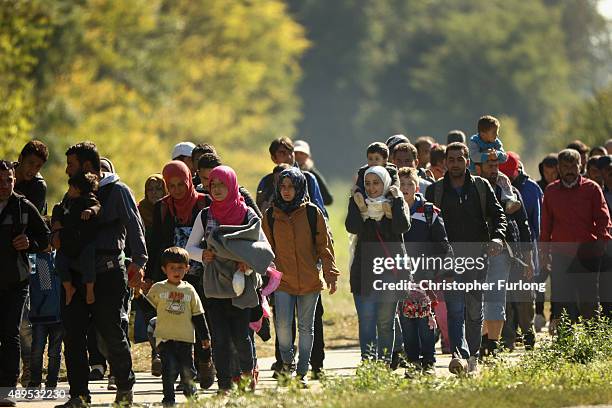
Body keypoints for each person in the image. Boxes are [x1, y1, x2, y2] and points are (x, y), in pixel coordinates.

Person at [54, 142, 147, 407]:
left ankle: (125, 385)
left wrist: (139, 263)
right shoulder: (71, 194)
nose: (66, 170)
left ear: (85, 166)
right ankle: (78, 395)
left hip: (108, 274)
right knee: (73, 335)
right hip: (75, 275)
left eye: (70, 164)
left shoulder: (118, 191)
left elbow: (134, 227)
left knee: (111, 330)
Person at [187, 165, 274, 393]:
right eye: (212, 185)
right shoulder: (205, 215)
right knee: (220, 339)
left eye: (221, 185)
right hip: (214, 284)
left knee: (242, 338)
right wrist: (202, 255)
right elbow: (189, 248)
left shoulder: (247, 214)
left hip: (242, 283)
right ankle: (224, 384)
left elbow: (264, 248)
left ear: (232, 185)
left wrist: (249, 261)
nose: (216, 189)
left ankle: (246, 379)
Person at [425, 143, 506, 375]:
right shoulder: (436, 191)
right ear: (445, 163)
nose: (455, 163)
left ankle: (472, 356)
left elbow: (498, 215)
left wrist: (498, 238)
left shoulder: (481, 187)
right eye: (451, 159)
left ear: (468, 161)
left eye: (460, 159)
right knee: (455, 308)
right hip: (448, 261)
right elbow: (428, 225)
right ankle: (458, 355)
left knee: (473, 310)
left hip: (478, 259)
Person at [263, 167, 339, 387]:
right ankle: (287, 364)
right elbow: (265, 249)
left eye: (291, 186)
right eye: (283, 186)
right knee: (284, 326)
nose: (287, 191)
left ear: (300, 188)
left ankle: (302, 373)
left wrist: (330, 274)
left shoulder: (312, 213)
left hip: (309, 281)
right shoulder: (270, 215)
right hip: (283, 282)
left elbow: (325, 247)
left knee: (307, 328)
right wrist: (265, 276)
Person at [145, 161, 214, 389]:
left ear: (188, 181)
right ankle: (186, 375)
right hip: (174, 276)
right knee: (177, 322)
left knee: (201, 320)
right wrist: (151, 275)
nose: (176, 190)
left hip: (203, 275)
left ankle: (205, 362)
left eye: (180, 184)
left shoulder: (204, 202)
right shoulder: (162, 207)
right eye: (171, 185)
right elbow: (155, 244)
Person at [345, 166, 410, 363]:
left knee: (385, 321)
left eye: (376, 183)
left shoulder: (395, 202)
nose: (372, 188)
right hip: (364, 271)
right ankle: (368, 362)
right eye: (367, 183)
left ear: (386, 183)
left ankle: (383, 363)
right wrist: (358, 206)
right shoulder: (358, 202)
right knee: (366, 321)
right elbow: (352, 226)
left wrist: (397, 201)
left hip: (390, 272)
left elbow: (402, 227)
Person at [540, 149, 611, 328]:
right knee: (563, 302)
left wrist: (601, 244)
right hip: (561, 255)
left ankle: (593, 341)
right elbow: (546, 226)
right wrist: (543, 254)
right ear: (559, 168)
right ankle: (565, 342)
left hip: (588, 253)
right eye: (566, 166)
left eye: (574, 166)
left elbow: (603, 220)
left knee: (589, 301)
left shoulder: (592, 189)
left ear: (581, 166)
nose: (570, 170)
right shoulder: (551, 191)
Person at [0, 160, 49, 407]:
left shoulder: (23, 207)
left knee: (10, 333)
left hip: (16, 282)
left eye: (8, 180)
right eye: (0, 180)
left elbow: (46, 239)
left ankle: (6, 389)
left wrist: (29, 242)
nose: (4, 185)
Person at [135, 247, 210, 407]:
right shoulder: (158, 288)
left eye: (181, 267)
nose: (176, 271)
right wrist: (138, 296)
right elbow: (148, 309)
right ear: (164, 269)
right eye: (172, 267)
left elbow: (198, 315)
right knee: (168, 370)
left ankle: (191, 394)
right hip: (165, 338)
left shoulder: (189, 290)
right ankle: (168, 398)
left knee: (187, 370)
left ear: (187, 268)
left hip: (186, 339)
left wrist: (205, 337)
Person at [397, 167, 452, 375]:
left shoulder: (429, 212)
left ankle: (428, 362)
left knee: (425, 322)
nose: (405, 189)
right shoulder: (392, 211)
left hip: (426, 277)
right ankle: (412, 362)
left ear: (417, 186)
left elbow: (443, 243)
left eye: (409, 184)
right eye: (401, 185)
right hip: (401, 277)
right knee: (407, 322)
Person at [476, 158, 532, 356]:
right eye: (489, 166)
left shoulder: (508, 191)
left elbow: (522, 224)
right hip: (474, 251)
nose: (494, 170)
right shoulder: (471, 189)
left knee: (496, 299)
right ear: (478, 167)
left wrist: (527, 257)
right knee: (476, 300)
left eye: (496, 166)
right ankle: (480, 343)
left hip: (503, 250)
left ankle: (492, 346)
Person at [14, 140, 49, 387]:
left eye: (37, 166)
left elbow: (32, 223)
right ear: (20, 159)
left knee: (28, 316)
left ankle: (30, 367)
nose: (32, 170)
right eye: (29, 164)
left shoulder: (37, 186)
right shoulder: (5, 175)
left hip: (33, 255)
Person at [53, 172, 101, 306]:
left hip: (84, 240)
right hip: (68, 240)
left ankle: (89, 290)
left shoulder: (88, 198)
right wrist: (56, 222)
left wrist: (90, 211)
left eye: (71, 188)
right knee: (60, 261)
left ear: (78, 189)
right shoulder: (67, 200)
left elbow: (97, 206)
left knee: (88, 261)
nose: (68, 191)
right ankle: (69, 288)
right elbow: (58, 209)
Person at [27, 223, 63, 391]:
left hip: (59, 316)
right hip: (39, 316)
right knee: (36, 350)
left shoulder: (61, 258)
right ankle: (34, 381)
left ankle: (51, 382)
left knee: (55, 353)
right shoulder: (35, 260)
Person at [256, 137, 327, 217]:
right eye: (282, 153)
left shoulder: (308, 178)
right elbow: (258, 215)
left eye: (291, 152)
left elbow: (321, 214)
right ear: (273, 158)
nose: (289, 157)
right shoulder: (266, 182)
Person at [468, 115, 521, 214]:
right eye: (494, 133)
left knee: (504, 179)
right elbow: (474, 156)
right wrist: (487, 156)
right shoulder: (474, 141)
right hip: (475, 171)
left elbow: (504, 157)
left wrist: (496, 154)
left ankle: (510, 201)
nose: (496, 135)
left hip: (490, 172)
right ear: (483, 134)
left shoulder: (496, 142)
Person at [196, 153, 261, 218]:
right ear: (198, 174)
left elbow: (258, 221)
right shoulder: (196, 194)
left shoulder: (241, 194)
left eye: (213, 179)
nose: (209, 183)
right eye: (205, 178)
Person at [293, 140, 334, 206]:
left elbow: (328, 200)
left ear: (307, 156)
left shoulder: (313, 175)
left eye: (301, 153)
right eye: (296, 153)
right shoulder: (286, 173)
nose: (298, 156)